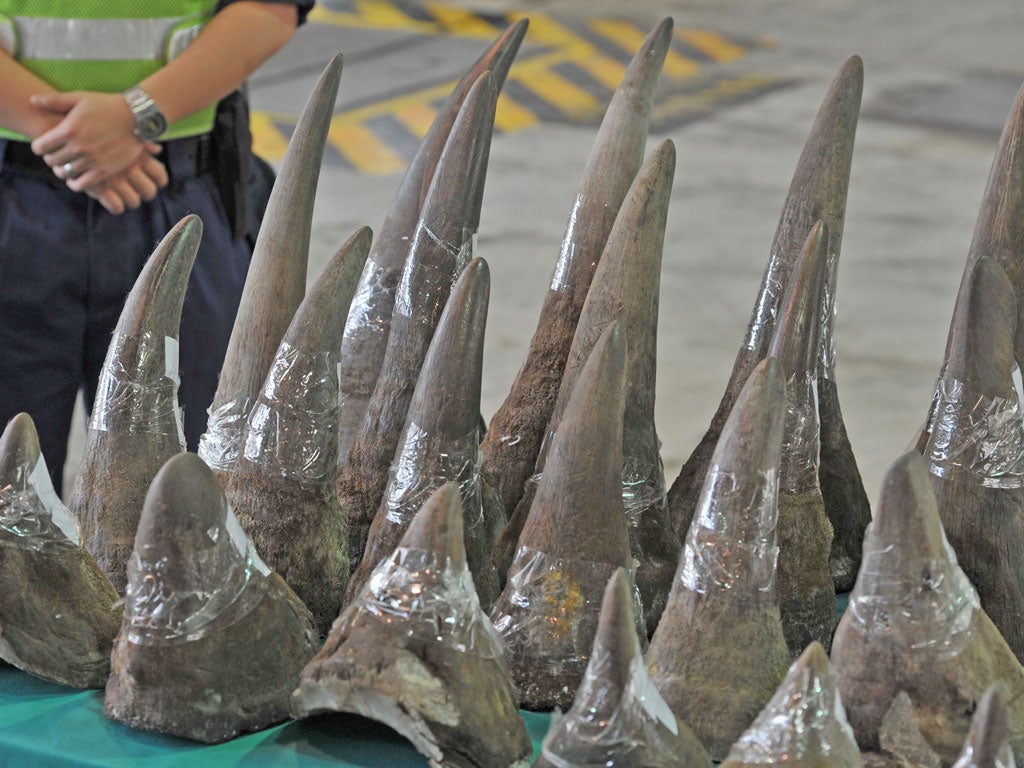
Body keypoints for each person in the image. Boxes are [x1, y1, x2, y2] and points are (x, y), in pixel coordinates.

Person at [0, 0, 314, 494]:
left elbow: (273, 6)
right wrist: (77, 141)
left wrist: (133, 116)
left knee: (190, 487)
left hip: (180, 197)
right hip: (25, 190)